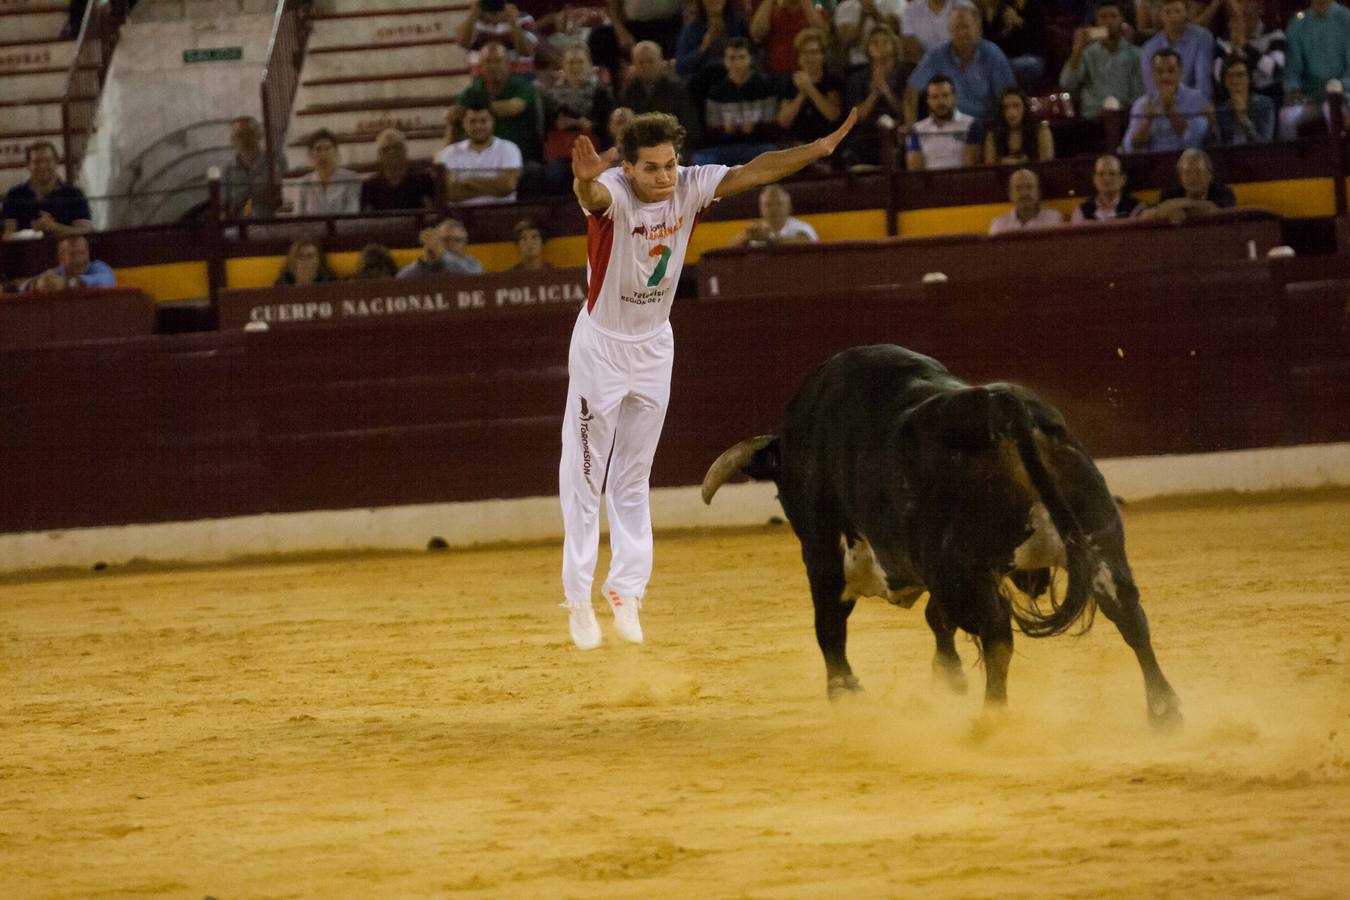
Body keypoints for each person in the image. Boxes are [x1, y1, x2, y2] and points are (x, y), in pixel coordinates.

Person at [560, 107, 857, 649]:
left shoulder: (691, 188)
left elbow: (757, 170)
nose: (664, 177)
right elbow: (592, 200)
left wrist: (815, 150)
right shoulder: (613, 192)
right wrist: (583, 180)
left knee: (631, 476)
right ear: (626, 168)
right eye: (651, 168)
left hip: (654, 345)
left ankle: (626, 591)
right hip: (600, 349)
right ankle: (577, 599)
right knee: (584, 476)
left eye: (670, 165)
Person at [904, 6, 1016, 125]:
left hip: (984, 128)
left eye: (966, 27)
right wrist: (912, 130)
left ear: (979, 30)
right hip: (947, 128)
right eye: (957, 28)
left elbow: (1008, 97)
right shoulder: (936, 55)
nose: (962, 33)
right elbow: (911, 91)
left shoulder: (993, 55)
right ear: (949, 31)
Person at [693, 38, 783, 165]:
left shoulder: (765, 87)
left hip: (757, 146)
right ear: (725, 61)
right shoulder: (716, 93)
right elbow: (711, 131)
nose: (737, 63)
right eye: (732, 58)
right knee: (701, 159)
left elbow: (772, 126)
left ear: (750, 59)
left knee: (772, 153)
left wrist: (755, 128)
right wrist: (726, 131)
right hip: (727, 148)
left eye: (741, 57)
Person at [541, 42, 616, 193]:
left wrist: (590, 125)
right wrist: (559, 125)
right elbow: (545, 127)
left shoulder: (601, 93)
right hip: (562, 151)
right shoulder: (552, 96)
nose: (576, 67)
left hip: (595, 149)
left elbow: (609, 127)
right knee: (553, 174)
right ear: (563, 66)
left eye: (580, 62)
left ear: (589, 65)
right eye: (571, 63)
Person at [453, 41, 543, 164]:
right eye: (488, 62)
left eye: (498, 61)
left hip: (521, 157)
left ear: (508, 64)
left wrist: (477, 107)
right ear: (481, 66)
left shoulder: (522, 85)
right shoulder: (473, 90)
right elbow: (455, 115)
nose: (493, 66)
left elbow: (514, 107)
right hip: (480, 157)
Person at [1059, 0, 1144, 119]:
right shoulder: (1086, 53)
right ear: (1096, 21)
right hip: (1094, 117)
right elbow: (1067, 84)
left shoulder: (1136, 54)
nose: (1109, 22)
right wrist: (1077, 51)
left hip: (1125, 117)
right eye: (1103, 17)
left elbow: (1139, 93)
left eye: (1113, 16)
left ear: (1121, 20)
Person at [1278, 0, 1350, 140]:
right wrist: (1292, 89)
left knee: (1330, 110)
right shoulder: (1298, 24)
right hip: (1313, 96)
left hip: (1345, 94)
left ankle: (1339, 160)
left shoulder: (1346, 19)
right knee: (1286, 117)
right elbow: (1293, 69)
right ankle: (1292, 162)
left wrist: (1340, 85)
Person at [842, 25, 912, 168]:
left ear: (893, 45)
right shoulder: (858, 77)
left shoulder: (906, 73)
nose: (880, 47)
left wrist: (886, 91)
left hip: (898, 131)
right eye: (875, 43)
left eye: (885, 42)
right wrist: (874, 93)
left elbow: (907, 112)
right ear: (868, 48)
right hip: (867, 133)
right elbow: (857, 117)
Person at [617, 41, 703, 145]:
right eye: (641, 62)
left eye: (650, 61)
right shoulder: (628, 91)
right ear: (634, 65)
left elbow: (691, 128)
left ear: (661, 61)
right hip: (639, 148)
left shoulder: (677, 89)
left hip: (673, 147)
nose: (646, 66)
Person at [1124, 48, 1210, 152]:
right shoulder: (1142, 103)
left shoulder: (1195, 98)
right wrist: (1147, 121)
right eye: (1160, 72)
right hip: (1154, 162)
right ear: (1153, 74)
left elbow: (1195, 140)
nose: (1165, 76)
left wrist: (1171, 111)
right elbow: (1129, 147)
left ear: (1180, 72)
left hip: (1186, 159)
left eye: (1171, 71)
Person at [439, 100, 524, 204]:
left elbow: (508, 186)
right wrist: (495, 186)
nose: (478, 126)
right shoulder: (449, 152)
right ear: (463, 124)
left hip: (501, 214)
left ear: (493, 122)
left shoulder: (509, 149)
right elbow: (450, 193)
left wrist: (467, 181)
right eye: (472, 121)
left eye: (483, 121)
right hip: (460, 216)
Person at [1, 141, 93, 235]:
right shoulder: (14, 195)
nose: (42, 166)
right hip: (27, 249)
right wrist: (32, 232)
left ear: (56, 162)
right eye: (37, 162)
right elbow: (7, 235)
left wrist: (54, 227)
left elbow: (86, 231)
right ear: (28, 165)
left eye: (48, 161)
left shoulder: (75, 194)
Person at [777, 28, 846, 146]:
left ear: (822, 55)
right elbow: (783, 121)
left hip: (826, 142)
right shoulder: (790, 82)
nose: (809, 57)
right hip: (796, 143)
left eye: (814, 52)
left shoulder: (832, 80)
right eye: (804, 52)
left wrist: (810, 89)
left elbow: (833, 115)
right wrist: (802, 93)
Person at [1139, 0, 1216, 102]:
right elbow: (1151, 89)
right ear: (1161, 15)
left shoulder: (1202, 38)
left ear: (1186, 13)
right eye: (1167, 12)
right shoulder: (1149, 48)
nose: (1173, 17)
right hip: (1161, 107)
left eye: (1177, 11)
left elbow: (1203, 83)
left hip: (1194, 106)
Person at [1211, 0, 1285, 106]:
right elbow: (1220, 78)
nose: (1242, 9)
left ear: (1260, 7)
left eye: (1247, 2)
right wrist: (1236, 50)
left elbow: (1277, 71)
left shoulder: (1275, 35)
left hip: (1268, 98)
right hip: (1232, 101)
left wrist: (1246, 47)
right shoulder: (1223, 42)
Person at [905, 75, 982, 169]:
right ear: (928, 101)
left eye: (945, 95)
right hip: (928, 182)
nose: (940, 102)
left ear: (954, 97)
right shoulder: (917, 129)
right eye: (935, 97)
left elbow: (970, 166)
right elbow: (914, 169)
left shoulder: (970, 124)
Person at [1144, 146, 1237, 221]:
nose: (1193, 178)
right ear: (1180, 176)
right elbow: (1148, 214)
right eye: (1187, 173)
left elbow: (1216, 211)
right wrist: (1166, 212)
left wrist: (1182, 205)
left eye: (1198, 172)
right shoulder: (1170, 193)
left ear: (1209, 175)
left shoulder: (1224, 192)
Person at [359, 129, 438, 212]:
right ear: (379, 156)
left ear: (405, 151)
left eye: (397, 147)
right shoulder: (369, 186)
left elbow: (434, 212)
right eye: (386, 149)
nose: (392, 152)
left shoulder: (423, 180)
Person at [977, 0, 1048, 89]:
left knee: (1000, 67)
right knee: (996, 66)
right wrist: (1002, 29)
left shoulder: (1035, 6)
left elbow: (1039, 37)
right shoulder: (1005, 8)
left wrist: (1019, 21)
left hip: (1033, 58)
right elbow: (993, 45)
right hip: (1008, 59)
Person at [749, 0, 832, 77]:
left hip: (809, 74)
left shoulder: (816, 13)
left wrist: (806, 3)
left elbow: (823, 34)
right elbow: (756, 33)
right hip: (777, 75)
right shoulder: (773, 13)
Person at [221, 116, 282, 219]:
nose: (245, 139)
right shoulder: (228, 169)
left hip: (269, 221)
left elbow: (282, 196)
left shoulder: (274, 162)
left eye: (249, 133)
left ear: (258, 135)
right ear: (233, 140)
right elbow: (224, 203)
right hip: (239, 225)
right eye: (240, 135)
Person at [675, 0, 752, 80]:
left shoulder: (738, 25)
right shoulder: (691, 30)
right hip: (705, 82)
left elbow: (752, 55)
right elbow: (680, 66)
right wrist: (701, 49)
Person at [294, 129, 360, 217]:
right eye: (318, 149)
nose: (323, 154)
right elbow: (298, 219)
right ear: (310, 155)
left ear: (336, 152)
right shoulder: (303, 184)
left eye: (327, 148)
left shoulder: (350, 178)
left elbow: (352, 213)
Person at [456, 0, 540, 67]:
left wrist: (513, 23)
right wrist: (473, 15)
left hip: (520, 80)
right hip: (482, 82)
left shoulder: (524, 19)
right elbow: (462, 42)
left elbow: (527, 51)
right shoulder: (474, 22)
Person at [729, 183, 820, 244]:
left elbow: (804, 243)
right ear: (760, 208)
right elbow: (730, 251)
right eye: (768, 204)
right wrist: (746, 238)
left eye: (779, 204)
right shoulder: (756, 232)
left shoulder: (802, 228)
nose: (774, 209)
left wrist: (769, 239)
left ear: (789, 206)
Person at [1213, 55, 1275, 143]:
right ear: (1224, 81)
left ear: (1249, 78)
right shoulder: (1221, 109)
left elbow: (1265, 144)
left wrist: (1243, 119)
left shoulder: (1264, 104)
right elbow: (1218, 146)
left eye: (1240, 75)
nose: (1235, 81)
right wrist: (1212, 125)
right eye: (1230, 76)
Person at [983, 88, 1054, 164]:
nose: (1011, 112)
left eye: (1016, 106)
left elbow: (1047, 163)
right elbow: (990, 166)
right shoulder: (993, 134)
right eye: (1006, 107)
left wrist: (1020, 163)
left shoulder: (1040, 130)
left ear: (1025, 108)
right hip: (1003, 174)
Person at [20, 235, 114, 292]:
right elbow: (22, 287)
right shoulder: (57, 272)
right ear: (61, 257)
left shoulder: (98, 267)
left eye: (82, 252)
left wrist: (67, 284)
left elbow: (107, 280)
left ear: (88, 253)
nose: (78, 258)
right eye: (72, 254)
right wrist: (37, 284)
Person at [1070, 153, 1146, 221]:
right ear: (1094, 179)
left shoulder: (1136, 209)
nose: (1107, 179)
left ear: (1123, 179)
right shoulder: (1081, 212)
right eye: (1101, 174)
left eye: (1112, 174)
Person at [834, 0, 905, 72]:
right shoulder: (844, 7)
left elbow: (895, 33)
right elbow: (846, 42)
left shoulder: (896, 2)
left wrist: (875, 13)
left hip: (892, 64)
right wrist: (862, 17)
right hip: (859, 66)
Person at [398, 219, 485, 277]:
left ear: (465, 243)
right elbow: (399, 280)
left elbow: (474, 278)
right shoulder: (425, 265)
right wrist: (425, 261)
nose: (452, 244)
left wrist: (442, 255)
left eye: (457, 240)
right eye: (445, 240)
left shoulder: (472, 263)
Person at [988, 168, 1065, 234]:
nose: (1024, 193)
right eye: (1018, 188)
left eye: (1029, 187)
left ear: (1038, 192)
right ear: (1010, 194)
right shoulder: (999, 225)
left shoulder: (1053, 219)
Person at [901, 0, 975, 61]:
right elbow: (911, 48)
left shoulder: (966, 7)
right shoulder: (911, 10)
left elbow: (969, 46)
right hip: (923, 69)